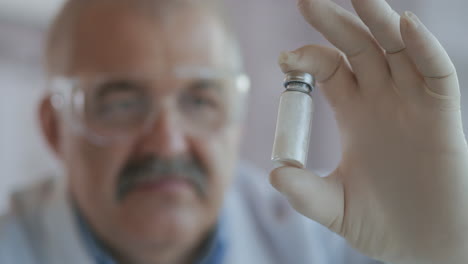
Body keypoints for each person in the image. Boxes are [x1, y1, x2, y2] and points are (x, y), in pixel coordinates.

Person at [1, 0, 467, 264]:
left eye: (201, 100)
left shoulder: (334, 245)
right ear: (55, 128)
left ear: (237, 118)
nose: (168, 142)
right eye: (122, 103)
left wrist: (446, 253)